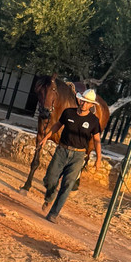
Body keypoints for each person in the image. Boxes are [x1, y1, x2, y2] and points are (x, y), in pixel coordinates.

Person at [41, 88, 103, 223]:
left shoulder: (93, 121)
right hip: (62, 150)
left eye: (87, 103)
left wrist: (99, 158)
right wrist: (46, 137)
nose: (84, 104)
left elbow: (97, 140)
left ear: (91, 105)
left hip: (78, 156)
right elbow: (57, 125)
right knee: (50, 178)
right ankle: (49, 197)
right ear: (80, 100)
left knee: (67, 185)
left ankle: (53, 214)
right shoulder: (68, 112)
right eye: (83, 101)